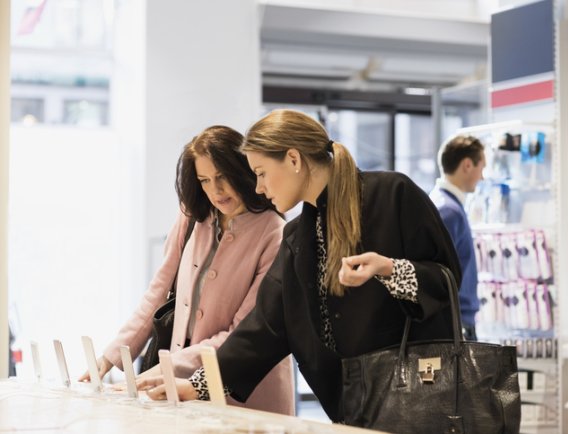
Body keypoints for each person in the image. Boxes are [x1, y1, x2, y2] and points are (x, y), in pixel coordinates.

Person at [138, 109, 461, 424]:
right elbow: (264, 329)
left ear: (294, 159)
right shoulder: (296, 238)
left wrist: (389, 269)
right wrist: (196, 386)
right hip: (352, 410)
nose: (259, 187)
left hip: (420, 403)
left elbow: (446, 280)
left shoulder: (393, 194)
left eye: (261, 173)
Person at [80, 125, 295, 415]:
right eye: (204, 180)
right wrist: (111, 357)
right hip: (182, 387)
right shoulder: (193, 218)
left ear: (242, 170)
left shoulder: (274, 232)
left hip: (246, 393)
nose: (215, 191)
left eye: (222, 177)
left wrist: (162, 370)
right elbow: (158, 292)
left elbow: (243, 333)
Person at [429, 135, 485, 341]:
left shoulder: (445, 205)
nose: (483, 177)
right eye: (482, 168)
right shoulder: (448, 211)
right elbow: (438, 274)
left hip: (456, 322)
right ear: (468, 165)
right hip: (455, 324)